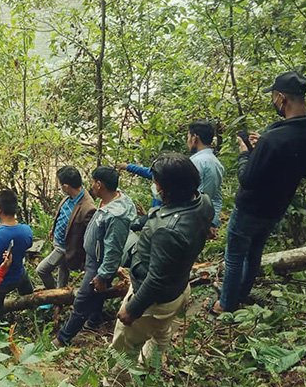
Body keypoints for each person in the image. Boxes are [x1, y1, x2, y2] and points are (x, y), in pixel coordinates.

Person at [213, 71, 306, 314]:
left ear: (282, 98)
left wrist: (246, 152)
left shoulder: (274, 139)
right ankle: (241, 294)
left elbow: (247, 178)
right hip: (276, 208)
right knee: (255, 252)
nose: (274, 101)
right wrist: (263, 145)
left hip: (250, 208)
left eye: (274, 97)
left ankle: (226, 304)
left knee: (235, 255)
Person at [112, 153, 212, 364]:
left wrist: (133, 309)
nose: (154, 184)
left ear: (165, 188)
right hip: (178, 287)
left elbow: (156, 278)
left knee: (124, 344)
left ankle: (115, 384)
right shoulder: (203, 201)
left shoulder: (167, 231)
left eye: (156, 180)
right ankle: (151, 366)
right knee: (161, 331)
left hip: (154, 300)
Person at [53, 166, 136, 347]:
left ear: (99, 185)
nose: (90, 185)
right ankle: (95, 318)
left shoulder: (116, 215)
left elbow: (113, 248)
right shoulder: (108, 201)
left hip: (99, 263)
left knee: (83, 297)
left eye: (92, 182)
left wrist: (104, 273)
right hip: (94, 258)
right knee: (98, 292)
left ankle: (63, 338)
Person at [118, 120, 225, 236]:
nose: (187, 141)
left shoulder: (195, 163)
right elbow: (216, 196)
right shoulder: (216, 163)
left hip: (176, 221)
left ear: (194, 138)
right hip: (193, 220)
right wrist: (212, 222)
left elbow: (172, 186)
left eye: (188, 136)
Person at [36, 166, 96, 289]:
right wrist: (54, 230)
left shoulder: (88, 208)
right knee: (62, 269)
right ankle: (60, 295)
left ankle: (51, 294)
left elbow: (89, 236)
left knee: (41, 270)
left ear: (66, 187)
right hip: (59, 243)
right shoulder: (69, 198)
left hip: (64, 248)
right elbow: (62, 216)